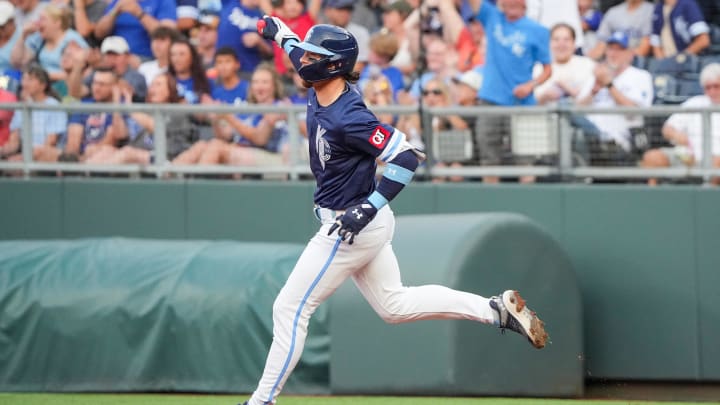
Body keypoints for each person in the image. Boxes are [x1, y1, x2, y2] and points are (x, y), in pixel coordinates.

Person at [239, 16, 549, 405]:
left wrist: (368, 208)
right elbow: (294, 47)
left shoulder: (349, 115)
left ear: (332, 64)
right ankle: (492, 310)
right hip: (363, 221)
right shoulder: (321, 81)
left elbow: (407, 155)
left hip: (351, 224)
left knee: (288, 308)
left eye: (313, 55)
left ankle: (261, 401)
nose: (303, 59)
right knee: (394, 306)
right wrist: (278, 30)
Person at [576, 31, 653, 165]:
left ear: (630, 54)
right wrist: (594, 90)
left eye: (620, 50)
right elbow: (576, 110)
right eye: (610, 49)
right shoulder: (596, 75)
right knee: (564, 107)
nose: (613, 54)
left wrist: (610, 85)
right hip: (588, 137)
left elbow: (635, 112)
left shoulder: (640, 76)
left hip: (618, 140)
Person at [641, 63, 720, 185]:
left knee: (717, 163)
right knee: (652, 157)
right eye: (708, 87)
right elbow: (667, 129)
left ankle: (707, 198)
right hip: (688, 156)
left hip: (715, 159)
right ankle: (652, 199)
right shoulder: (694, 103)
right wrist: (679, 137)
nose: (712, 91)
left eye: (716, 86)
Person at [1, 64, 67, 162]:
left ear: (43, 85)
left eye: (30, 79)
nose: (25, 83)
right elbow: (14, 141)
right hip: (25, 154)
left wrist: (21, 159)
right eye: (24, 79)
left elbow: (51, 142)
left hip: (48, 154)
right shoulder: (22, 107)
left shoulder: (54, 106)